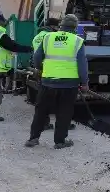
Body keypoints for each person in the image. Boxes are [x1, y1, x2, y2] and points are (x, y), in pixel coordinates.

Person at [24, 14, 89, 149]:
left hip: (47, 82)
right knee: (64, 112)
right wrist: (84, 83)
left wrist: (41, 68)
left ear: (61, 26)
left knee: (41, 111)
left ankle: (33, 138)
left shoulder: (48, 37)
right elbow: (82, 65)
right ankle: (59, 142)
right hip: (68, 84)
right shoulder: (77, 41)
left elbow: (37, 57)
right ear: (75, 27)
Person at [30, 18, 76, 132]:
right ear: (53, 27)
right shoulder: (51, 37)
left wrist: (39, 67)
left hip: (42, 71)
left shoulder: (37, 37)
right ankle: (63, 125)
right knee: (62, 101)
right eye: (57, 26)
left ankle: (44, 123)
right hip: (55, 71)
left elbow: (36, 55)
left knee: (43, 101)